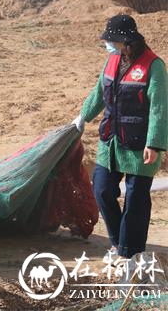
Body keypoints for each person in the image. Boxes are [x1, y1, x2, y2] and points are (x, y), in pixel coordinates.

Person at [73, 14, 167, 259]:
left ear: (128, 42)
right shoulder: (112, 61)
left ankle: (129, 252)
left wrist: (154, 143)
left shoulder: (153, 66)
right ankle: (117, 242)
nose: (109, 45)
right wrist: (83, 117)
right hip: (111, 141)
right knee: (102, 189)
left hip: (140, 146)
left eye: (113, 41)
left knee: (135, 199)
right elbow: (99, 92)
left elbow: (159, 107)